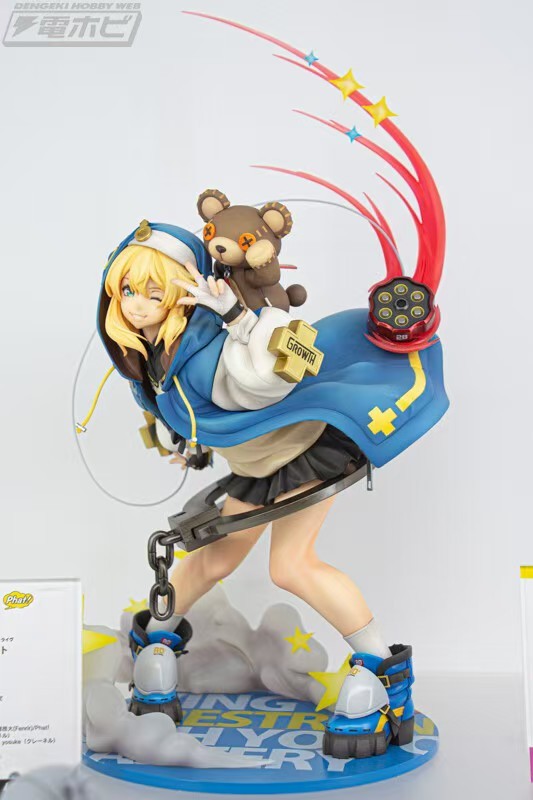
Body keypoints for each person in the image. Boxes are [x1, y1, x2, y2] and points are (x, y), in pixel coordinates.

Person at [88, 217, 448, 758]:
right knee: (213, 560)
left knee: (291, 566)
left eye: (154, 293)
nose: (138, 305)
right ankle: (155, 646)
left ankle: (383, 673)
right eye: (128, 291)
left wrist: (236, 318)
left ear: (183, 293)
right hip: (257, 461)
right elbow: (185, 411)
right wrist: (186, 442)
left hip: (303, 449)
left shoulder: (206, 354)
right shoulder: (151, 357)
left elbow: (269, 380)